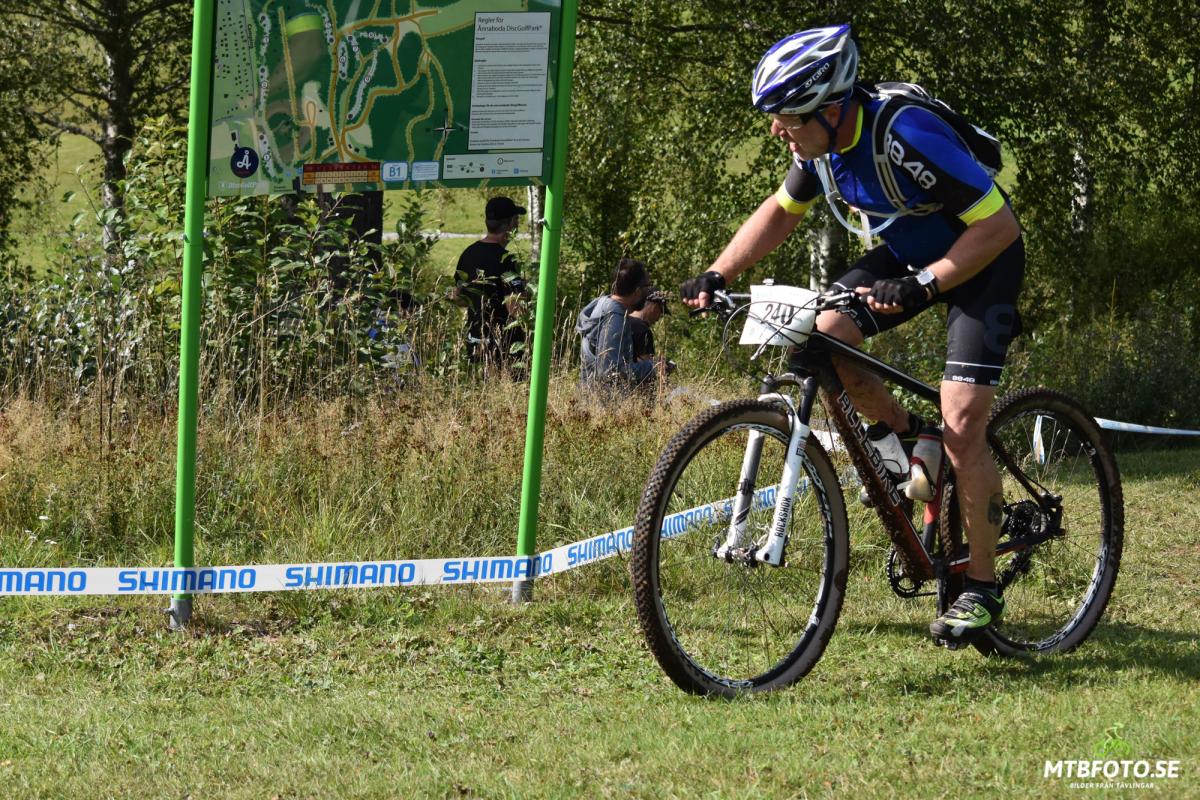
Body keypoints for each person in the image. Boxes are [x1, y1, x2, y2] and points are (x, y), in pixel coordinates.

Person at [680, 24, 1024, 644]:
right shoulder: (821, 148)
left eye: (787, 117)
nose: (776, 131)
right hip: (909, 253)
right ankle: (908, 435)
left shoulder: (905, 136)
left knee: (963, 421)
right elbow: (781, 210)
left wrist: (925, 283)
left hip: (982, 262)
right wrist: (718, 272)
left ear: (831, 109)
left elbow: (999, 225)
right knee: (823, 336)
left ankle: (980, 587)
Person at [454, 196, 528, 368]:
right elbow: (515, 309)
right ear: (510, 224)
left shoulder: (468, 253)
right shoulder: (507, 260)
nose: (517, 224)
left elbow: (458, 297)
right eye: (516, 219)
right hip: (504, 346)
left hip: (475, 340)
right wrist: (526, 292)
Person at [577, 258, 668, 395]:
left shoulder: (601, 305)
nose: (648, 292)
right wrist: (653, 368)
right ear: (637, 291)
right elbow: (610, 370)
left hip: (590, 397)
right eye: (647, 287)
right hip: (603, 402)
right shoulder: (614, 318)